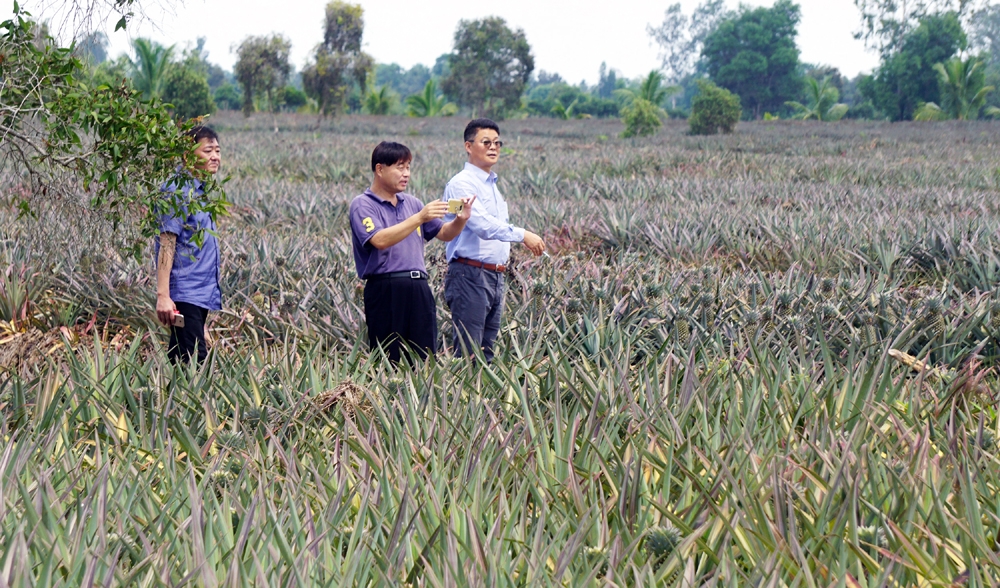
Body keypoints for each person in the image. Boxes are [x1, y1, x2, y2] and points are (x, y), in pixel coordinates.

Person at [350, 141, 475, 363]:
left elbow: (445, 233)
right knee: (389, 358)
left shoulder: (413, 203)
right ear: (380, 169)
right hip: (385, 288)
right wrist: (419, 217)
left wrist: (461, 219)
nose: (406, 173)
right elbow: (379, 239)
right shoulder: (363, 205)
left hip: (418, 287)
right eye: (399, 167)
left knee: (424, 357)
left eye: (408, 167)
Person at [441, 118, 545, 363]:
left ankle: (482, 401)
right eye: (486, 142)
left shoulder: (492, 186)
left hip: (495, 276)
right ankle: (461, 401)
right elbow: (481, 225)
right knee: (469, 355)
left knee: (487, 353)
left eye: (497, 143)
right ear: (468, 146)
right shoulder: (462, 184)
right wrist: (523, 234)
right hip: (470, 274)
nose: (493, 147)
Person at [154, 125, 223, 365]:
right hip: (186, 294)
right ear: (188, 156)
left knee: (182, 364)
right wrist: (163, 295)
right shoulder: (177, 189)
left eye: (217, 150)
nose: (215, 156)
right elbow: (167, 242)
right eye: (207, 151)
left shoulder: (198, 190)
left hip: (198, 296)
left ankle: (168, 402)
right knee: (196, 366)